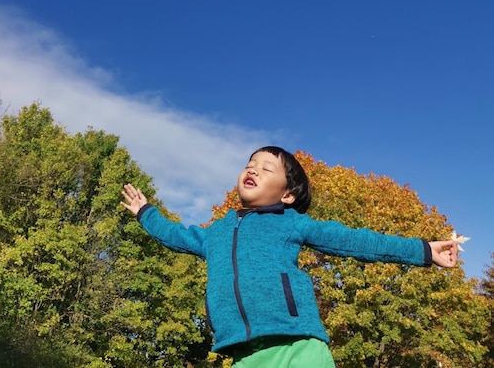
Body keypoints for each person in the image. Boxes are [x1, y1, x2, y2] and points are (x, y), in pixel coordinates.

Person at [120, 146, 458, 367]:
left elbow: (357, 242)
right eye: (250, 164)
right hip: (242, 354)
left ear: (287, 194)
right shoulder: (216, 233)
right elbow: (175, 236)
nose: (253, 169)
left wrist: (424, 250)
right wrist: (145, 212)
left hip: (298, 347)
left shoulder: (291, 224)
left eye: (267, 168)